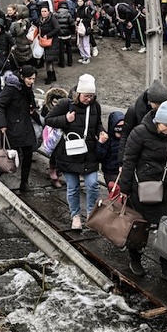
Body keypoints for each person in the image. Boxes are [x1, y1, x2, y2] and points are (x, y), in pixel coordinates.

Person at [118, 101, 167, 284]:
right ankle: (136, 260)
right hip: (142, 189)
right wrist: (124, 188)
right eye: (166, 125)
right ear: (157, 122)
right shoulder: (139, 133)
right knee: (139, 227)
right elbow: (128, 160)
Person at [44, 74, 108, 229]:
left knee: (92, 184)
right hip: (69, 153)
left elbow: (97, 123)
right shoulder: (66, 104)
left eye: (92, 96)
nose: (89, 99)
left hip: (88, 152)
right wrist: (66, 119)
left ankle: (91, 215)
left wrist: (101, 132)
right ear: (79, 93)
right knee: (73, 188)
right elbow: (48, 120)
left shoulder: (95, 106)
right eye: (86, 96)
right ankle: (76, 216)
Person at [0, 66, 41, 192]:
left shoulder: (27, 89)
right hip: (13, 128)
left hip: (25, 126)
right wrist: (2, 124)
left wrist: (41, 120)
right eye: (29, 79)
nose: (32, 81)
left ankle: (24, 183)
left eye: (33, 79)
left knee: (28, 155)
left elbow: (31, 108)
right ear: (22, 77)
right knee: (7, 157)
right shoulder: (11, 89)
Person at [119, 79, 167, 160]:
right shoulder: (134, 111)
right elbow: (125, 136)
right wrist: (122, 161)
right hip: (139, 155)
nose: (161, 108)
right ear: (151, 102)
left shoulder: (166, 111)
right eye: (158, 105)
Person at [98, 111, 125, 185]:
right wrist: (100, 143)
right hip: (110, 172)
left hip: (123, 171)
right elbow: (99, 156)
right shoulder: (107, 139)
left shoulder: (127, 139)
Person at [37, 5, 61, 84]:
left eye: (45, 11)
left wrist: (48, 35)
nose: (43, 13)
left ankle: (50, 77)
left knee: (49, 60)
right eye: (42, 11)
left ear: (48, 12)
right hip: (45, 41)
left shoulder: (52, 19)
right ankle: (52, 76)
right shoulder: (40, 20)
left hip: (52, 42)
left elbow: (57, 29)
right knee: (48, 59)